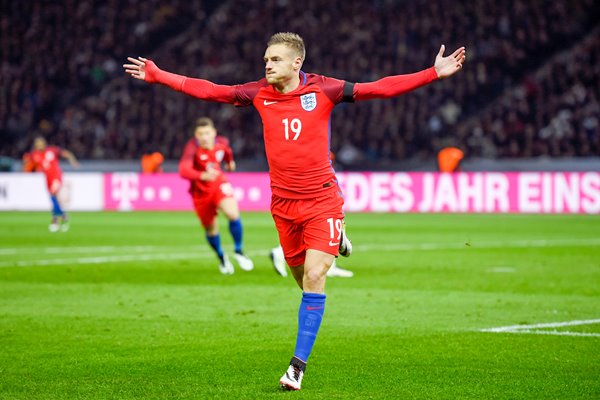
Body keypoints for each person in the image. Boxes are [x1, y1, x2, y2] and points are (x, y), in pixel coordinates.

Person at [124, 32, 465, 390]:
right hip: (283, 206)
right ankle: (338, 241)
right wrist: (159, 74)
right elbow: (210, 90)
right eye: (266, 60)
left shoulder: (325, 89)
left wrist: (431, 73)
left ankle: (296, 367)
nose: (267, 65)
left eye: (274, 60)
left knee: (316, 276)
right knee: (302, 279)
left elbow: (378, 88)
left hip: (322, 200)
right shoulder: (258, 93)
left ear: (296, 63)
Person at [179, 117, 254, 274]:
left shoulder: (222, 143)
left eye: (207, 133)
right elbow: (184, 170)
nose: (204, 137)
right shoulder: (192, 149)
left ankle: (239, 251)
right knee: (211, 229)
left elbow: (227, 153)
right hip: (200, 192)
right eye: (201, 134)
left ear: (213, 133)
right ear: (196, 136)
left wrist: (230, 163)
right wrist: (202, 176)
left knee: (232, 214)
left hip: (219, 183)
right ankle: (221, 257)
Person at [28, 136, 79, 232]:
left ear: (44, 144)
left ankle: (55, 220)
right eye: (37, 144)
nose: (39, 145)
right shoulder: (35, 155)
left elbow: (67, 154)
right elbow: (31, 166)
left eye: (41, 143)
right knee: (53, 198)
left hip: (56, 177)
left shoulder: (52, 151)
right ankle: (63, 216)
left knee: (53, 195)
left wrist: (73, 161)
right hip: (48, 179)